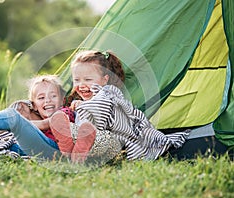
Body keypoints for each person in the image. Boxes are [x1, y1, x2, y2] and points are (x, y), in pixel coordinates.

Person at [52, 50, 189, 161]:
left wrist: (84, 107)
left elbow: (101, 111)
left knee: (97, 137)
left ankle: (76, 152)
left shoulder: (108, 94)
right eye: (76, 80)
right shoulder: (84, 102)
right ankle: (73, 153)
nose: (81, 85)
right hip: (90, 142)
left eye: (88, 79)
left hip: (111, 144)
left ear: (105, 80)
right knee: (68, 128)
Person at [0, 75, 96, 161]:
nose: (48, 101)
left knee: (14, 118)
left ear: (62, 99)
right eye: (41, 98)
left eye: (53, 96)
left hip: (55, 150)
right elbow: (30, 128)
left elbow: (45, 124)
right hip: (32, 150)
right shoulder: (33, 115)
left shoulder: (65, 112)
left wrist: (6, 127)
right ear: (34, 105)